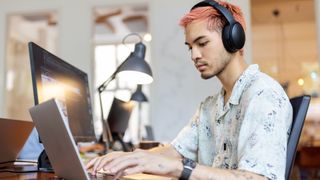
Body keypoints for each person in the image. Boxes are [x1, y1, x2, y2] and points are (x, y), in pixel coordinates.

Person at [86, 0, 293, 179]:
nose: (194, 55)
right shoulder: (210, 107)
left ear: (234, 39)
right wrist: (129, 157)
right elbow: (174, 152)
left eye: (202, 43)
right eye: (190, 47)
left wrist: (179, 169)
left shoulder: (263, 94)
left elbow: (257, 178)